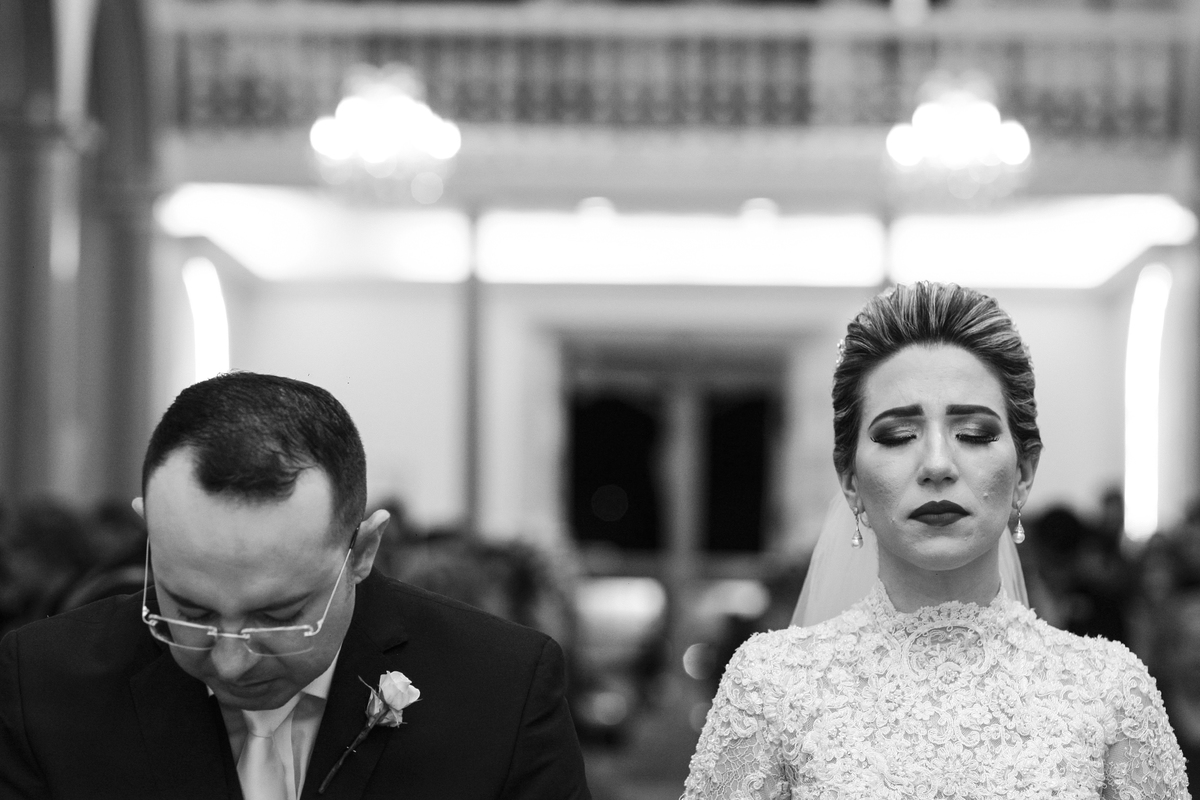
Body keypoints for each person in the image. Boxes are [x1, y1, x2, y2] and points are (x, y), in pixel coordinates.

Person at [683, 282, 1187, 798]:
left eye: (973, 433)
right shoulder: (771, 686)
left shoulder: (1108, 690)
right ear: (851, 481)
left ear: (1025, 474)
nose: (938, 465)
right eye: (898, 436)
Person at [0, 371, 591, 800]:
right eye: (189, 611)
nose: (230, 661)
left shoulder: (502, 690)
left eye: (279, 617)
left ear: (361, 551)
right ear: (149, 536)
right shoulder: (43, 683)